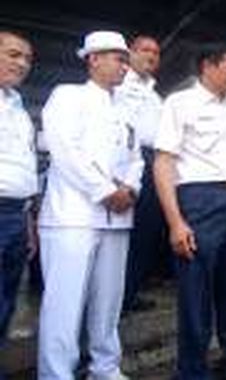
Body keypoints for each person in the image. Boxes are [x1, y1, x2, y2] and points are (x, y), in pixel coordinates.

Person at [37, 31, 143, 380]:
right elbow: (65, 150)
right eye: (118, 57)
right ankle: (56, 374)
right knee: (64, 306)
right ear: (93, 59)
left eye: (126, 59)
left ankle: (105, 368)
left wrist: (129, 188)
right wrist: (104, 190)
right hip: (74, 216)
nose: (124, 65)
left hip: (117, 218)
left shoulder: (125, 108)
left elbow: (136, 157)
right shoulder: (68, 96)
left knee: (108, 304)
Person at [153, 43, 226, 379]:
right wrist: (175, 222)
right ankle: (192, 372)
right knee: (195, 294)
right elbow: (163, 162)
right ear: (207, 67)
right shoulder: (179, 103)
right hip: (198, 201)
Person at [116, 35, 167, 313]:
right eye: (146, 50)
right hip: (124, 160)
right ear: (130, 53)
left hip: (152, 162)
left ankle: (129, 292)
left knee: (146, 231)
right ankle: (114, 298)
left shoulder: (156, 94)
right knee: (123, 230)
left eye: (156, 52)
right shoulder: (119, 83)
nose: (152, 55)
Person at [0, 32, 37, 352]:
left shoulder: (18, 107)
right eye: (13, 55)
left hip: (15, 214)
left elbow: (22, 170)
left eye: (26, 58)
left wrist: (27, 224)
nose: (22, 64)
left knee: (5, 304)